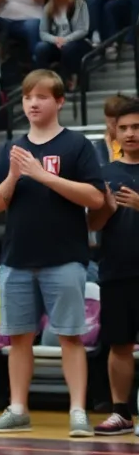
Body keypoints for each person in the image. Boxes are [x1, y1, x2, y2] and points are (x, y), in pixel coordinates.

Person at [0, 71, 104, 436]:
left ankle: (78, 411)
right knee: (18, 338)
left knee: (70, 336)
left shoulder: (76, 145)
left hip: (65, 257)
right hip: (17, 258)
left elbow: (96, 198)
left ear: (59, 101)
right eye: (27, 98)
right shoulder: (11, 148)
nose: (33, 103)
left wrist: (44, 176)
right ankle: (18, 408)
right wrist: (14, 176)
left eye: (41, 97)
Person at [87, 99, 139, 435]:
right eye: (124, 128)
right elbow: (93, 225)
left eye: (136, 127)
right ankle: (121, 411)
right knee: (119, 343)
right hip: (117, 271)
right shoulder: (105, 174)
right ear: (114, 132)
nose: (131, 133)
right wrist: (105, 208)